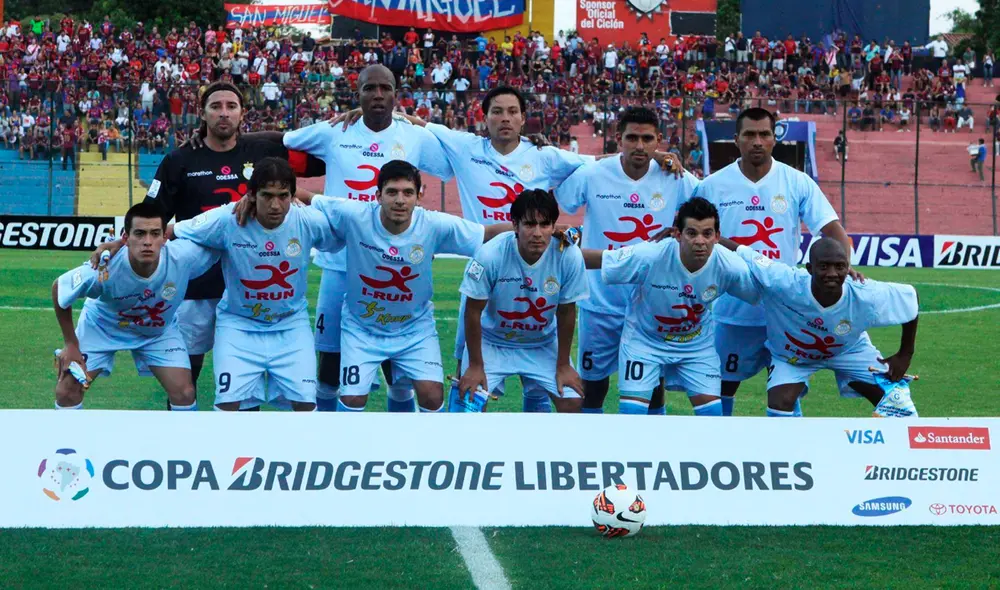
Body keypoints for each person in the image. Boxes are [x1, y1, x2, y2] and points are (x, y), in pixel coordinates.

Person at [250, 65, 454, 411]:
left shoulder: (414, 137)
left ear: (395, 93)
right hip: (338, 264)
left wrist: (528, 143)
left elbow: (457, 159)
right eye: (370, 88)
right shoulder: (334, 131)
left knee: (400, 374)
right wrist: (228, 139)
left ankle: (400, 450)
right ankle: (332, 450)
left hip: (396, 263)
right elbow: (281, 140)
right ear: (356, 94)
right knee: (329, 368)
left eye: (385, 88)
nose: (377, 95)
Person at [133, 81, 323, 398]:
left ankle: (244, 447)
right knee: (185, 378)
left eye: (231, 106)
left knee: (245, 383)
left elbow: (322, 155)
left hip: (251, 288)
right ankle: (182, 439)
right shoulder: (179, 160)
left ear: (242, 114)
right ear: (202, 113)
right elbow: (153, 217)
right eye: (216, 106)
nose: (224, 113)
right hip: (197, 287)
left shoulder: (264, 152)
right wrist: (126, 247)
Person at [690, 108, 855, 416]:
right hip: (731, 306)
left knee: (785, 390)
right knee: (722, 384)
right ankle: (716, 447)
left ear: (774, 138)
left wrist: (842, 262)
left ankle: (788, 453)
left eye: (764, 134)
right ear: (736, 139)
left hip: (783, 307)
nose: (757, 141)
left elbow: (831, 228)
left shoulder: (797, 182)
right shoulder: (713, 185)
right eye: (749, 134)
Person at [313, 160, 512, 413]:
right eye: (392, 192)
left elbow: (487, 233)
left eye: (408, 193)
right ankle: (351, 451)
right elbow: (309, 199)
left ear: (419, 196)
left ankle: (424, 451)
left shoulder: (433, 225)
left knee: (432, 396)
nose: (400, 200)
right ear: (378, 196)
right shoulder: (355, 215)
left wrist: (553, 231)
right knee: (352, 399)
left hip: (414, 329)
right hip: (361, 329)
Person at [555, 106, 696, 414]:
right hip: (600, 300)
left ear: (658, 140)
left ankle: (649, 451)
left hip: (652, 302)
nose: (640, 146)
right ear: (618, 139)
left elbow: (705, 209)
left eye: (647, 139)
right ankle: (595, 452)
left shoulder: (675, 177)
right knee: (593, 385)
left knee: (652, 386)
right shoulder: (593, 174)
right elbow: (560, 199)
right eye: (632, 138)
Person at [173, 158, 343, 411]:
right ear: (251, 194)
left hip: (290, 325)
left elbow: (342, 235)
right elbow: (173, 230)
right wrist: (119, 243)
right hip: (238, 325)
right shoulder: (227, 218)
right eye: (267, 196)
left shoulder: (307, 220)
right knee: (228, 406)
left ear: (292, 195)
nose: (275, 205)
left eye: (283, 196)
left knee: (306, 406)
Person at [579, 198, 759, 416]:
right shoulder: (650, 255)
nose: (700, 241)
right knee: (631, 416)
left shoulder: (731, 266)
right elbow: (601, 260)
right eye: (692, 233)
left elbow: (762, 293)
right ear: (677, 234)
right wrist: (553, 249)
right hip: (644, 342)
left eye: (707, 234)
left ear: (717, 237)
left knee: (712, 418)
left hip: (696, 347)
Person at [717, 237, 918, 416]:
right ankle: (792, 453)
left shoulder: (866, 293)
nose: (832, 273)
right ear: (809, 268)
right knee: (779, 403)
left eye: (840, 267)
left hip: (849, 351)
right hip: (792, 357)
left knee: (896, 401)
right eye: (824, 267)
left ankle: (896, 455)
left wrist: (905, 354)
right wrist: (707, 236)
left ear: (848, 267)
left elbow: (910, 298)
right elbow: (740, 251)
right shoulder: (784, 280)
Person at [54, 202, 219, 410]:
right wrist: (70, 343)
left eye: (154, 234)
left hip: (158, 332)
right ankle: (69, 442)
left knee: (184, 392)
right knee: (67, 392)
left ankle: (180, 442)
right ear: (125, 238)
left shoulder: (183, 256)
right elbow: (59, 287)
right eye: (139, 234)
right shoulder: (104, 268)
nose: (147, 242)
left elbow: (223, 237)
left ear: (165, 237)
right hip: (102, 327)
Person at [457, 189, 588, 413]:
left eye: (545, 224)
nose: (537, 233)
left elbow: (566, 312)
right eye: (529, 224)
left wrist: (564, 364)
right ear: (515, 225)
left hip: (542, 343)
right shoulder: (491, 254)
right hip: (493, 342)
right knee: (468, 403)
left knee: (572, 401)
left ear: (554, 227)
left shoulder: (569, 255)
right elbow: (472, 311)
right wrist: (476, 365)